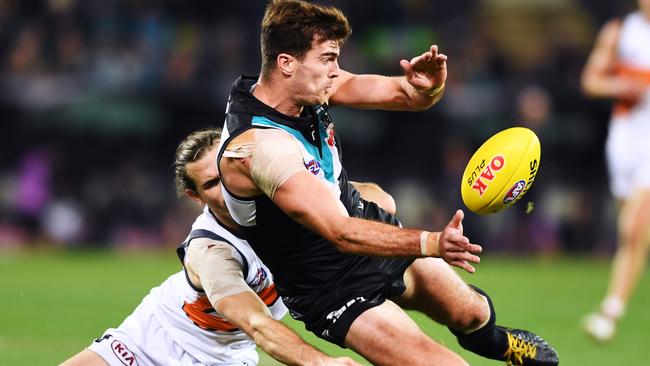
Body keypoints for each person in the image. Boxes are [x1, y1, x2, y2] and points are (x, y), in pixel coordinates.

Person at [217, 1, 559, 365]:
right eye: (328, 58)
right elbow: (341, 232)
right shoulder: (260, 147)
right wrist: (431, 242)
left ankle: (497, 344)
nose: (336, 71)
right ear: (286, 63)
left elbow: (405, 95)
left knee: (470, 312)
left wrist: (426, 89)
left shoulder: (304, 88)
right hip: (329, 286)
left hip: (369, 233)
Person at [60, 128, 360, 366]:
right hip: (148, 342)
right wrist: (320, 362)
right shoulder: (210, 250)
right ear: (195, 196)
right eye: (212, 183)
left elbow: (373, 202)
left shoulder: (299, 205)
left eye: (228, 171)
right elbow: (256, 323)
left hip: (226, 359)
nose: (228, 185)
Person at [581, 0, 650, 343]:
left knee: (633, 226)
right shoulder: (620, 32)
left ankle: (611, 310)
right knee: (633, 236)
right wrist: (621, 87)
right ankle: (616, 305)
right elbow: (591, 80)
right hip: (625, 141)